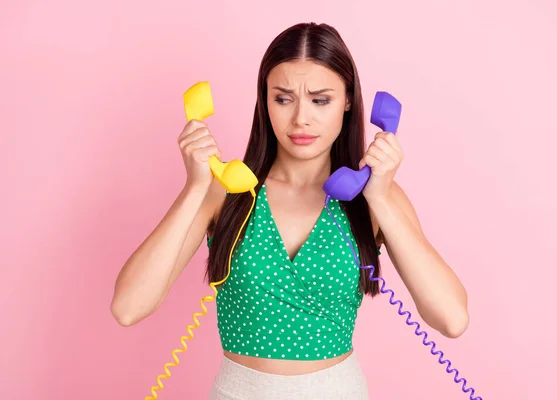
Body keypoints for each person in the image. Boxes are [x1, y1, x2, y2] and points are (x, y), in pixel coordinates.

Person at [110, 22, 470, 400]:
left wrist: (379, 197)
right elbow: (128, 308)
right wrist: (195, 186)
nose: (301, 118)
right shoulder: (228, 191)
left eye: (320, 100)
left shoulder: (376, 197)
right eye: (283, 99)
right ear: (264, 101)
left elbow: (452, 318)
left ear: (348, 100)